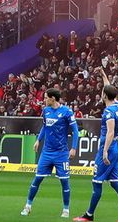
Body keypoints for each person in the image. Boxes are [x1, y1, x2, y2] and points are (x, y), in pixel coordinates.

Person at [75, 71, 118, 222]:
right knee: (115, 183)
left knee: (96, 183)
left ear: (104, 96)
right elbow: (109, 88)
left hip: (108, 148)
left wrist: (104, 152)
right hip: (117, 147)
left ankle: (89, 215)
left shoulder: (108, 112)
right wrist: (103, 74)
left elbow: (109, 132)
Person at [22, 88, 79, 218]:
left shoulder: (67, 111)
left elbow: (75, 131)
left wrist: (74, 148)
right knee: (37, 179)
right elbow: (44, 126)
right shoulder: (46, 111)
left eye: (46, 97)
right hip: (46, 152)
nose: (44, 100)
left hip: (61, 153)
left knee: (64, 182)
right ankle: (28, 206)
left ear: (53, 98)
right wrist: (38, 140)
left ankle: (66, 210)